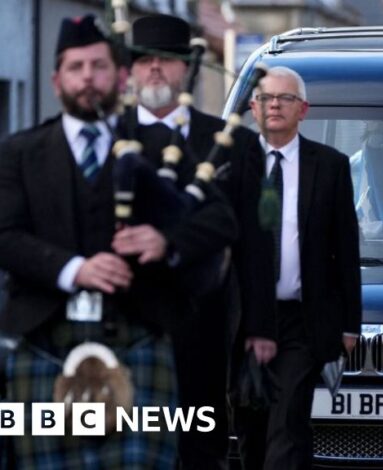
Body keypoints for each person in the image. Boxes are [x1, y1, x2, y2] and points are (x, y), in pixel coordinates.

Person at [0, 15, 235, 468]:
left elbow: (221, 220)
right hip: (43, 339)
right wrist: (73, 269)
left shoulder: (157, 145)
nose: (87, 77)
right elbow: (4, 235)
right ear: (56, 81)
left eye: (98, 66)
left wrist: (165, 239)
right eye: (75, 67)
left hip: (140, 337)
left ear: (120, 75)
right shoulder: (20, 152)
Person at [127, 14, 276, 469]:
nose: (155, 69)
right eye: (144, 60)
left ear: (187, 70)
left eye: (167, 61)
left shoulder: (232, 143)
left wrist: (260, 326)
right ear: (129, 69)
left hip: (205, 323)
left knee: (201, 446)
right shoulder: (106, 136)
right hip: (123, 323)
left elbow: (256, 240)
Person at [240, 66, 361, 469]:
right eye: (266, 98)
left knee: (288, 420)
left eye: (285, 98)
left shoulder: (330, 166)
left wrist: (349, 325)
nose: (274, 105)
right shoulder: (232, 162)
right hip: (241, 321)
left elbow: (345, 248)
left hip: (300, 321)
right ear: (254, 108)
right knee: (251, 427)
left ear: (303, 109)